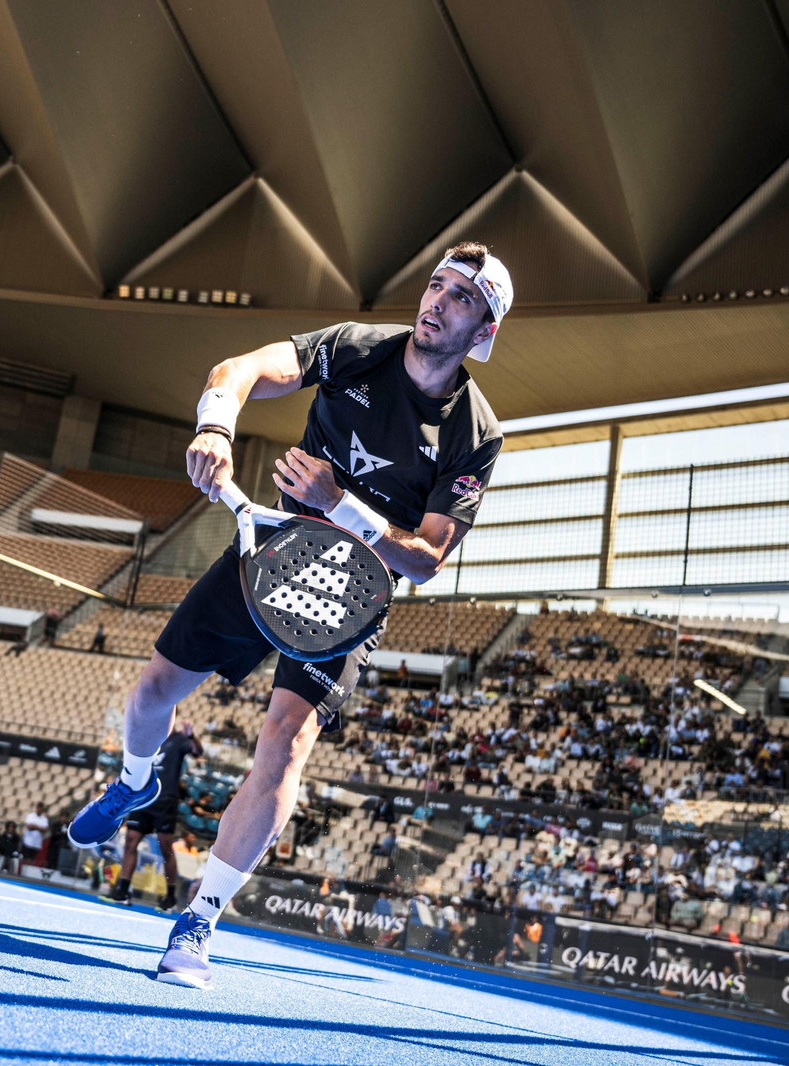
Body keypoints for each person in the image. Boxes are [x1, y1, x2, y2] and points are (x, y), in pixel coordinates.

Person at [66, 242, 510, 988]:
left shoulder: (475, 431)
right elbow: (236, 371)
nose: (438, 300)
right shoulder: (355, 348)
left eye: (463, 297)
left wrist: (346, 505)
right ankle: (136, 778)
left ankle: (199, 920)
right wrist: (215, 424)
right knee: (150, 696)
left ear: (485, 330)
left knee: (287, 740)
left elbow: (429, 560)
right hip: (272, 554)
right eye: (435, 284)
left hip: (353, 596)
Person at [106, 722, 202, 909]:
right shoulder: (150, 738)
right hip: (142, 797)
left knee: (166, 847)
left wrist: (191, 736)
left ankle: (170, 897)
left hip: (165, 799)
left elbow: (197, 752)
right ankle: (123, 890)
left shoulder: (179, 739)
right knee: (130, 841)